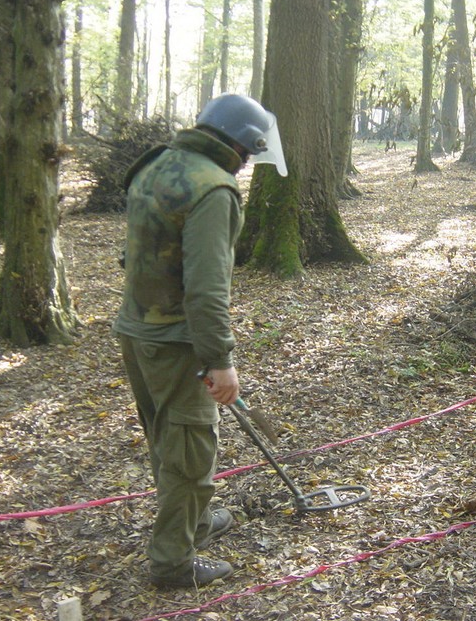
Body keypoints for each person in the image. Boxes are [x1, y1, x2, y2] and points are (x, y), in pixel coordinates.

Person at [114, 94, 286, 588]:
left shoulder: (156, 164)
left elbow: (136, 254)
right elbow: (207, 289)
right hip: (176, 342)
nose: (251, 161)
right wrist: (219, 359)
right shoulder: (215, 189)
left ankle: (193, 521)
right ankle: (173, 562)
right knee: (190, 452)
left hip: (136, 329)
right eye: (251, 152)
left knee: (168, 438)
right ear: (240, 145)